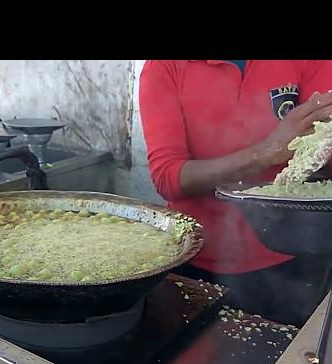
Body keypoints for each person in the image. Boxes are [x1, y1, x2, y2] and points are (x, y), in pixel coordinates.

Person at [139, 60, 332, 326]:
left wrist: (324, 145)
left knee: (290, 360)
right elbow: (168, 176)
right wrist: (265, 153)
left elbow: (322, 144)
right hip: (197, 257)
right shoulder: (165, 66)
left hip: (293, 253)